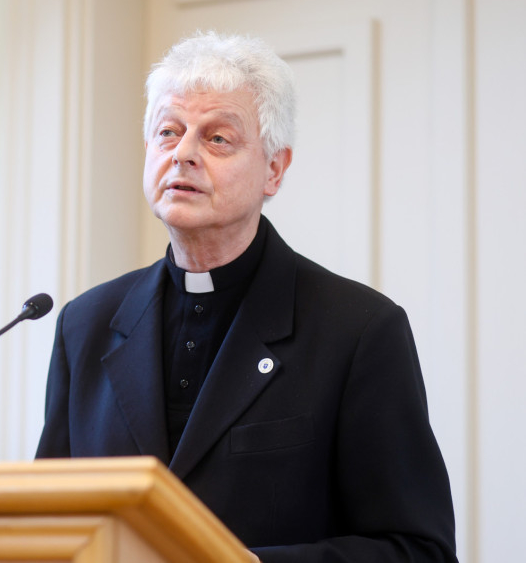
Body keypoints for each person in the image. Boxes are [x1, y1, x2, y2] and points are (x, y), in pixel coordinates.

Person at [36, 32, 457, 562]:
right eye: (168, 132)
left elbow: (419, 550)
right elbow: (49, 524)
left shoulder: (358, 331)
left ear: (274, 170)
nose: (183, 154)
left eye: (217, 138)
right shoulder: (85, 324)